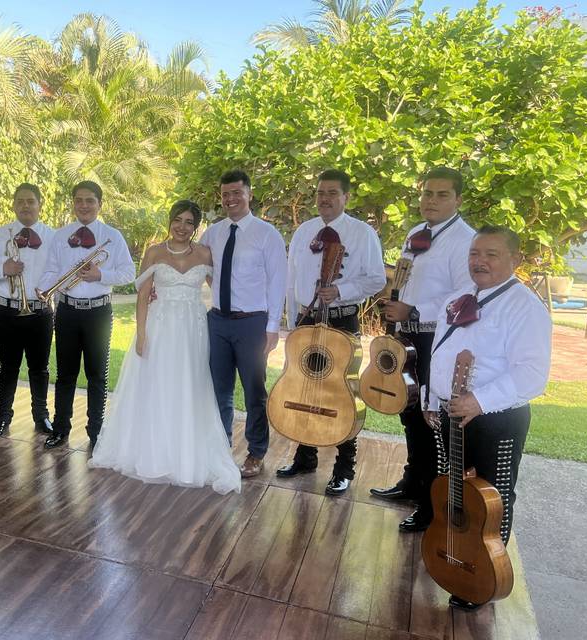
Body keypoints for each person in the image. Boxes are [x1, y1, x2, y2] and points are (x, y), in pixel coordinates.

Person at [423, 225, 550, 611]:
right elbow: (441, 353)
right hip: (450, 413)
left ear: (515, 259)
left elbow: (532, 374)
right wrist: (432, 398)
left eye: (491, 254)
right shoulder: (460, 297)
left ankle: (484, 573)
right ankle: (454, 554)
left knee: (492, 500)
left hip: (496, 419)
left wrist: (478, 401)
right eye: (475, 253)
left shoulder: (525, 307)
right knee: (455, 493)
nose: (479, 261)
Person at [89, 201, 241, 494]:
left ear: (196, 227)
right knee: (157, 384)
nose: (182, 227)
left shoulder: (204, 253)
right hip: (159, 327)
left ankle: (186, 452)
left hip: (192, 330)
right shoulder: (154, 252)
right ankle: (154, 450)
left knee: (190, 385)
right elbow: (143, 295)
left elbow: (221, 289)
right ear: (169, 222)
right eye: (177, 220)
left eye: (188, 222)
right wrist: (142, 334)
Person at [369, 167, 476, 532]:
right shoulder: (416, 233)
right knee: (409, 410)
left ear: (458, 200)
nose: (431, 200)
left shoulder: (465, 241)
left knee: (433, 420)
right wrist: (396, 305)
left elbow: (466, 298)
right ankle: (412, 482)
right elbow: (405, 279)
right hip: (409, 336)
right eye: (427, 193)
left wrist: (415, 311)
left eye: (441, 195)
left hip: (438, 339)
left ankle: (432, 506)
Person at [277, 169, 386, 495]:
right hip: (307, 322)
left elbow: (376, 279)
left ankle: (344, 467)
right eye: (321, 193)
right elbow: (291, 279)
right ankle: (305, 456)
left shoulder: (362, 233)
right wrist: (294, 322)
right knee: (302, 387)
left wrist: (341, 290)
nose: (325, 199)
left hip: (342, 322)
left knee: (345, 392)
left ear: (346, 197)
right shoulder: (304, 231)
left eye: (332, 193)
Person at [201, 170, 287, 478]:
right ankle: (221, 447)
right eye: (225, 194)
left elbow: (278, 282)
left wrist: (272, 327)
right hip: (217, 321)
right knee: (219, 389)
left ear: (249, 194)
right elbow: (198, 264)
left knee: (254, 391)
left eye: (236, 192)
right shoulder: (212, 232)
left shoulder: (267, 234)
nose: (230, 199)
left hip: (252, 323)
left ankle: (256, 451)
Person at [39, 181, 136, 449]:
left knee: (97, 375)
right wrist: (45, 287)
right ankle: (61, 428)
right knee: (65, 374)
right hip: (67, 311)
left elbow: (129, 272)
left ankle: (95, 431)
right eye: (79, 200)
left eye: (90, 200)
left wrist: (100, 275)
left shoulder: (112, 236)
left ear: (99, 204)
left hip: (98, 313)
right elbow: (50, 269)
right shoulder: (60, 236)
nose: (84, 205)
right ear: (73, 203)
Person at [0, 183, 55, 438]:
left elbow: (56, 271)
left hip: (40, 311)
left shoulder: (52, 236)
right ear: (13, 205)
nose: (26, 205)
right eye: (21, 201)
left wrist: (46, 288)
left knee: (40, 367)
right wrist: (4, 269)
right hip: (8, 311)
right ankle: (2, 416)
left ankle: (41, 416)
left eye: (31, 201)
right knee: (8, 366)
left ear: (39, 204)